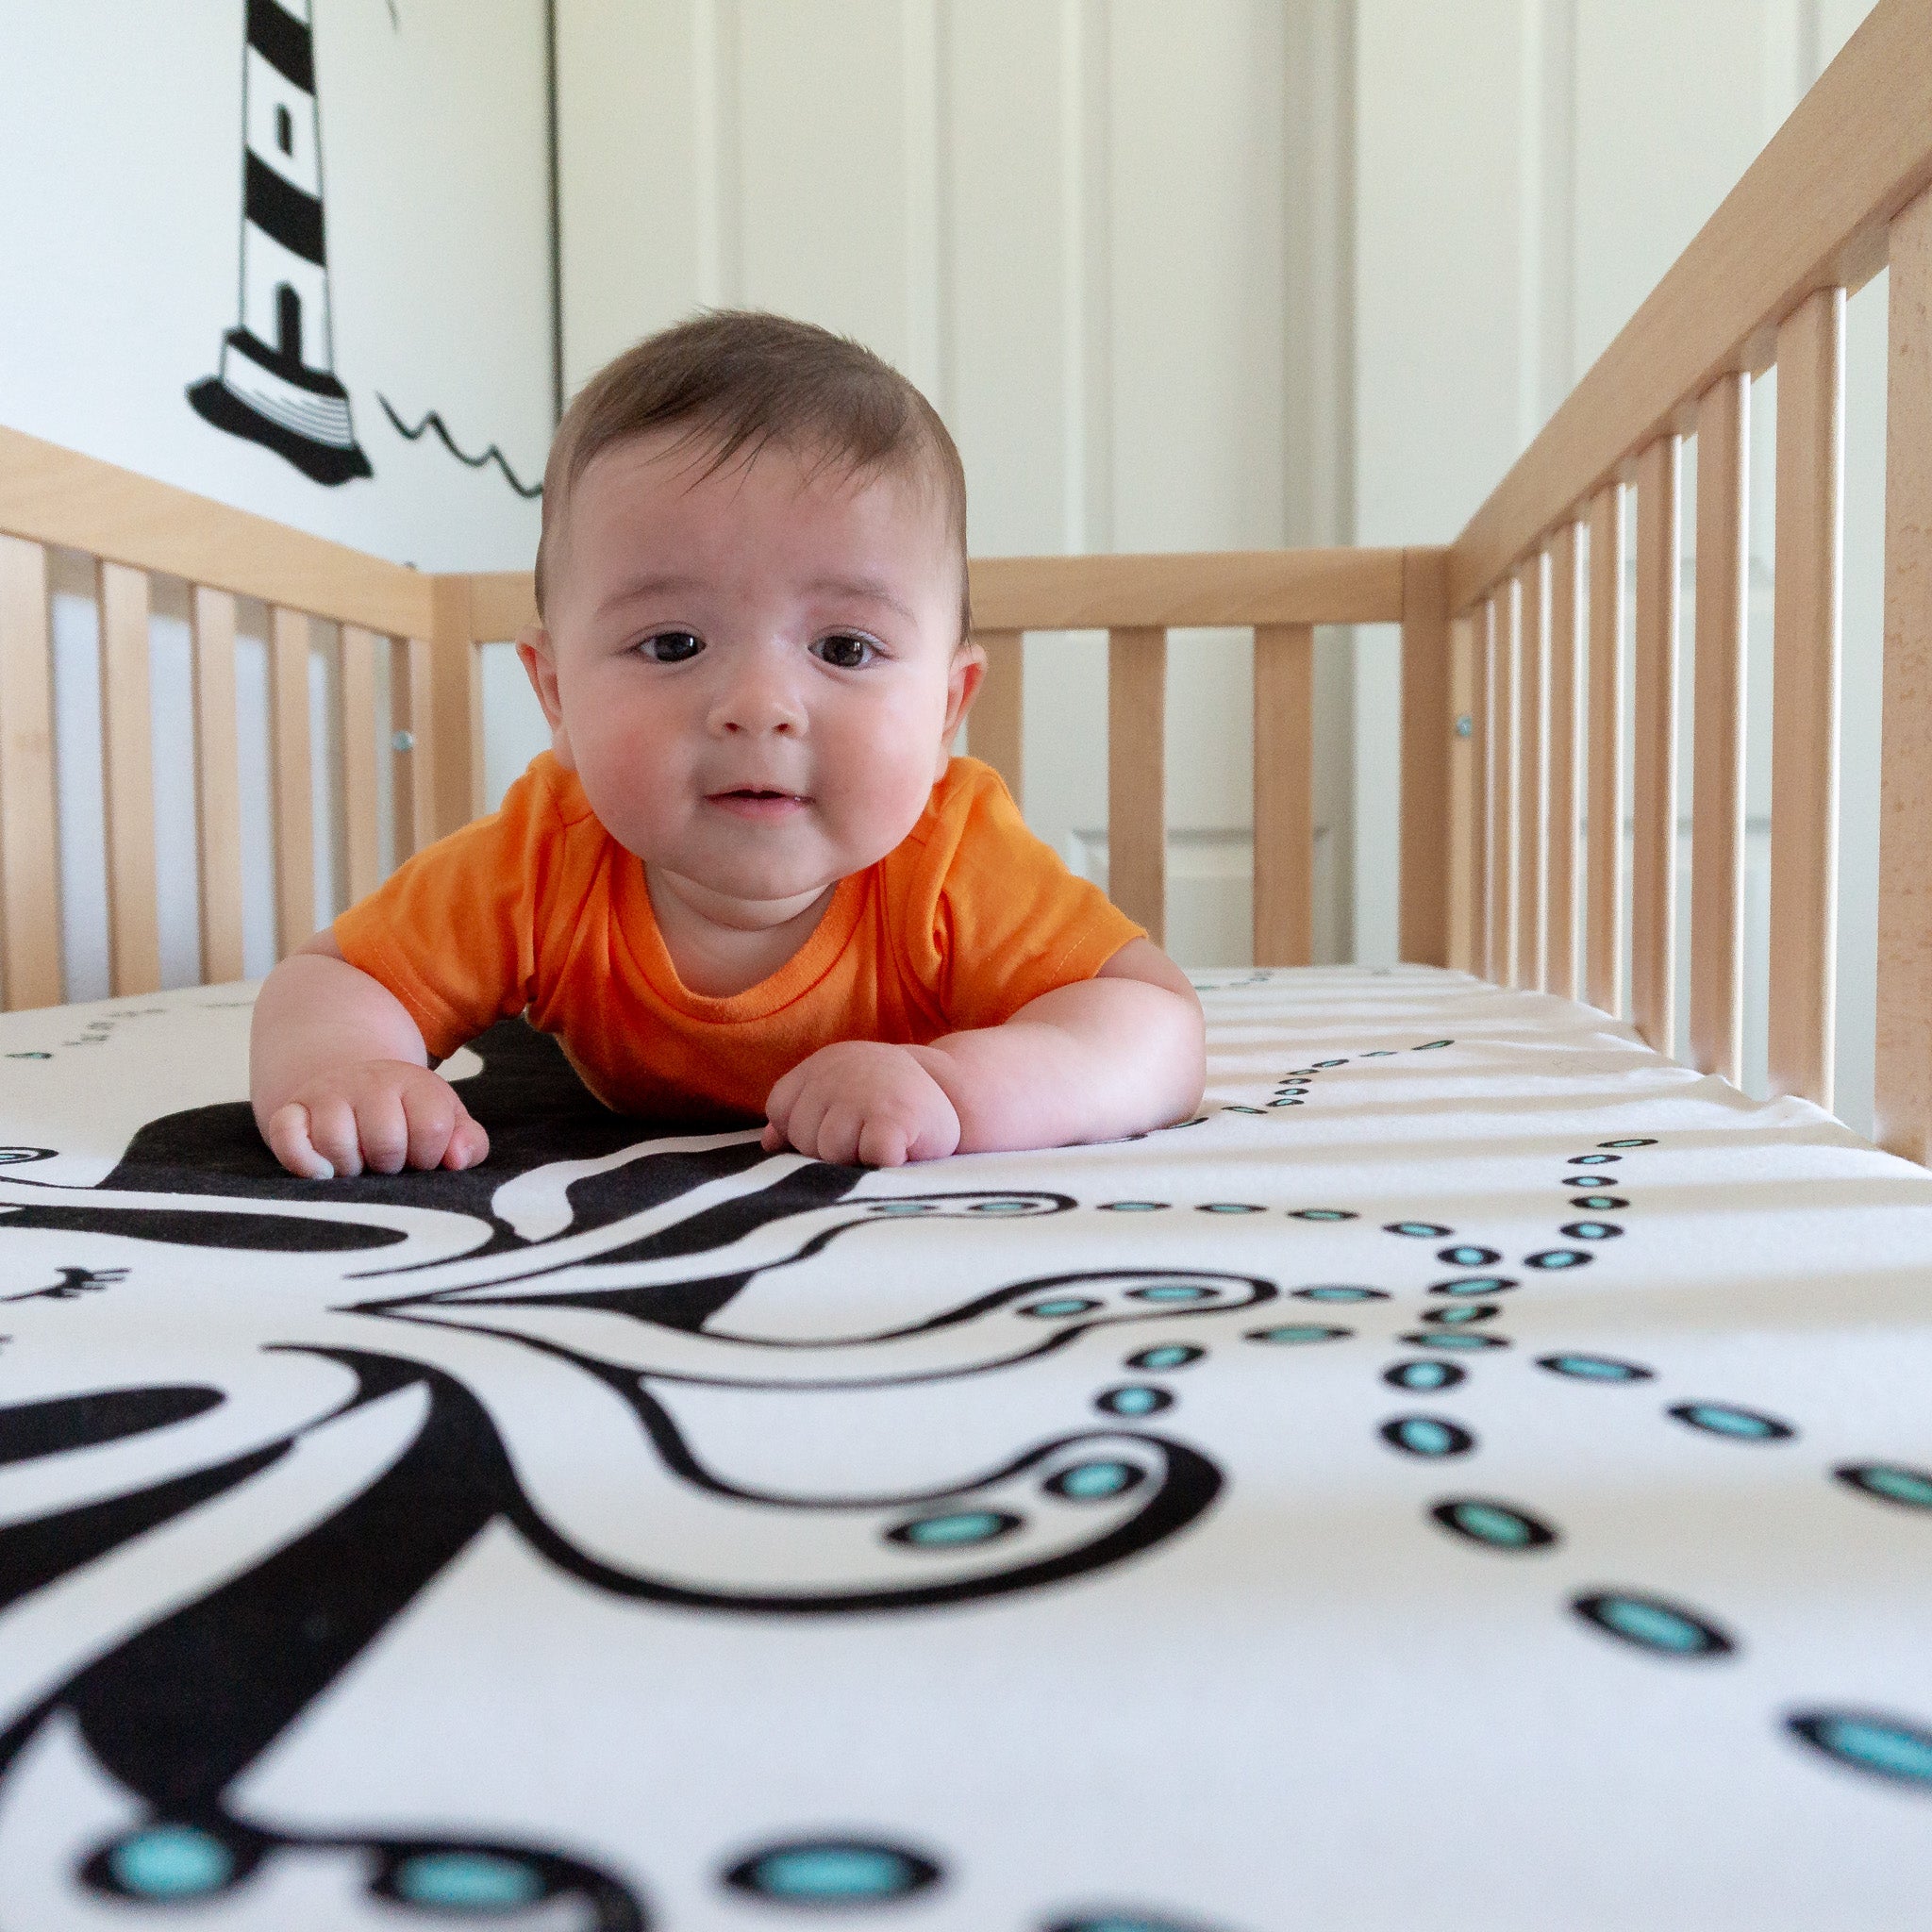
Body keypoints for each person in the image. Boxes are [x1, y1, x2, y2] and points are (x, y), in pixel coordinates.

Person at [249, 312, 1206, 1177]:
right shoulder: (545, 851)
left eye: (843, 647)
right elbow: (339, 974)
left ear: (947, 705)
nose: (758, 707)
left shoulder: (951, 859)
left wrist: (958, 1086)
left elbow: (1154, 1028)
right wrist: (353, 1070)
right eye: (672, 644)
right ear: (556, 696)